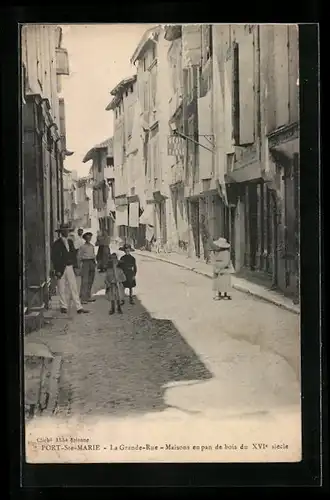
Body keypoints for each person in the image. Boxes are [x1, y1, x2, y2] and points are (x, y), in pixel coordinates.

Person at [51, 223, 89, 314]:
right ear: (61, 232)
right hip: (60, 268)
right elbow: (54, 258)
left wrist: (75, 266)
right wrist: (57, 270)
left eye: (67, 230)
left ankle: (79, 307)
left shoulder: (70, 242)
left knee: (74, 286)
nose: (66, 232)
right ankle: (63, 306)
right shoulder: (56, 244)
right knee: (61, 287)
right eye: (64, 231)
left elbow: (73, 255)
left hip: (69, 267)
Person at [77, 232, 96, 304]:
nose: (89, 239)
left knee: (91, 280)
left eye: (90, 237)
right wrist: (79, 266)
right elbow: (79, 256)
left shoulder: (92, 246)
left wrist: (94, 263)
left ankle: (88, 296)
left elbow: (93, 255)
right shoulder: (82, 247)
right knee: (85, 281)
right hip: (85, 263)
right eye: (87, 237)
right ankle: (83, 298)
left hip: (92, 262)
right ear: (85, 238)